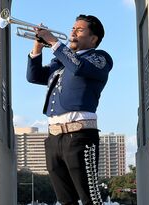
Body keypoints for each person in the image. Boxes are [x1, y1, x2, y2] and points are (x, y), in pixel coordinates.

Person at [26, 14, 113, 205]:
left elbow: (78, 67)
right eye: (72, 28)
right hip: (54, 138)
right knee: (65, 200)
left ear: (93, 38)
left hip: (80, 136)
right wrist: (38, 47)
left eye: (79, 30)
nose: (72, 32)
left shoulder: (99, 58)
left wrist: (53, 41)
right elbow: (34, 76)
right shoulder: (60, 63)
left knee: (90, 198)